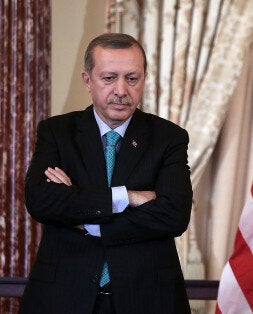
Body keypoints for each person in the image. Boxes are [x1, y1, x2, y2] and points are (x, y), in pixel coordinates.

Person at [20, 33, 193, 314]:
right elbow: (42, 201)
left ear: (144, 79)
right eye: (109, 78)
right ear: (87, 81)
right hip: (63, 296)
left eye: (132, 78)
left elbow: (174, 214)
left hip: (146, 298)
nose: (121, 90)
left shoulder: (168, 137)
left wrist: (88, 218)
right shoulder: (57, 132)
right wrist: (128, 197)